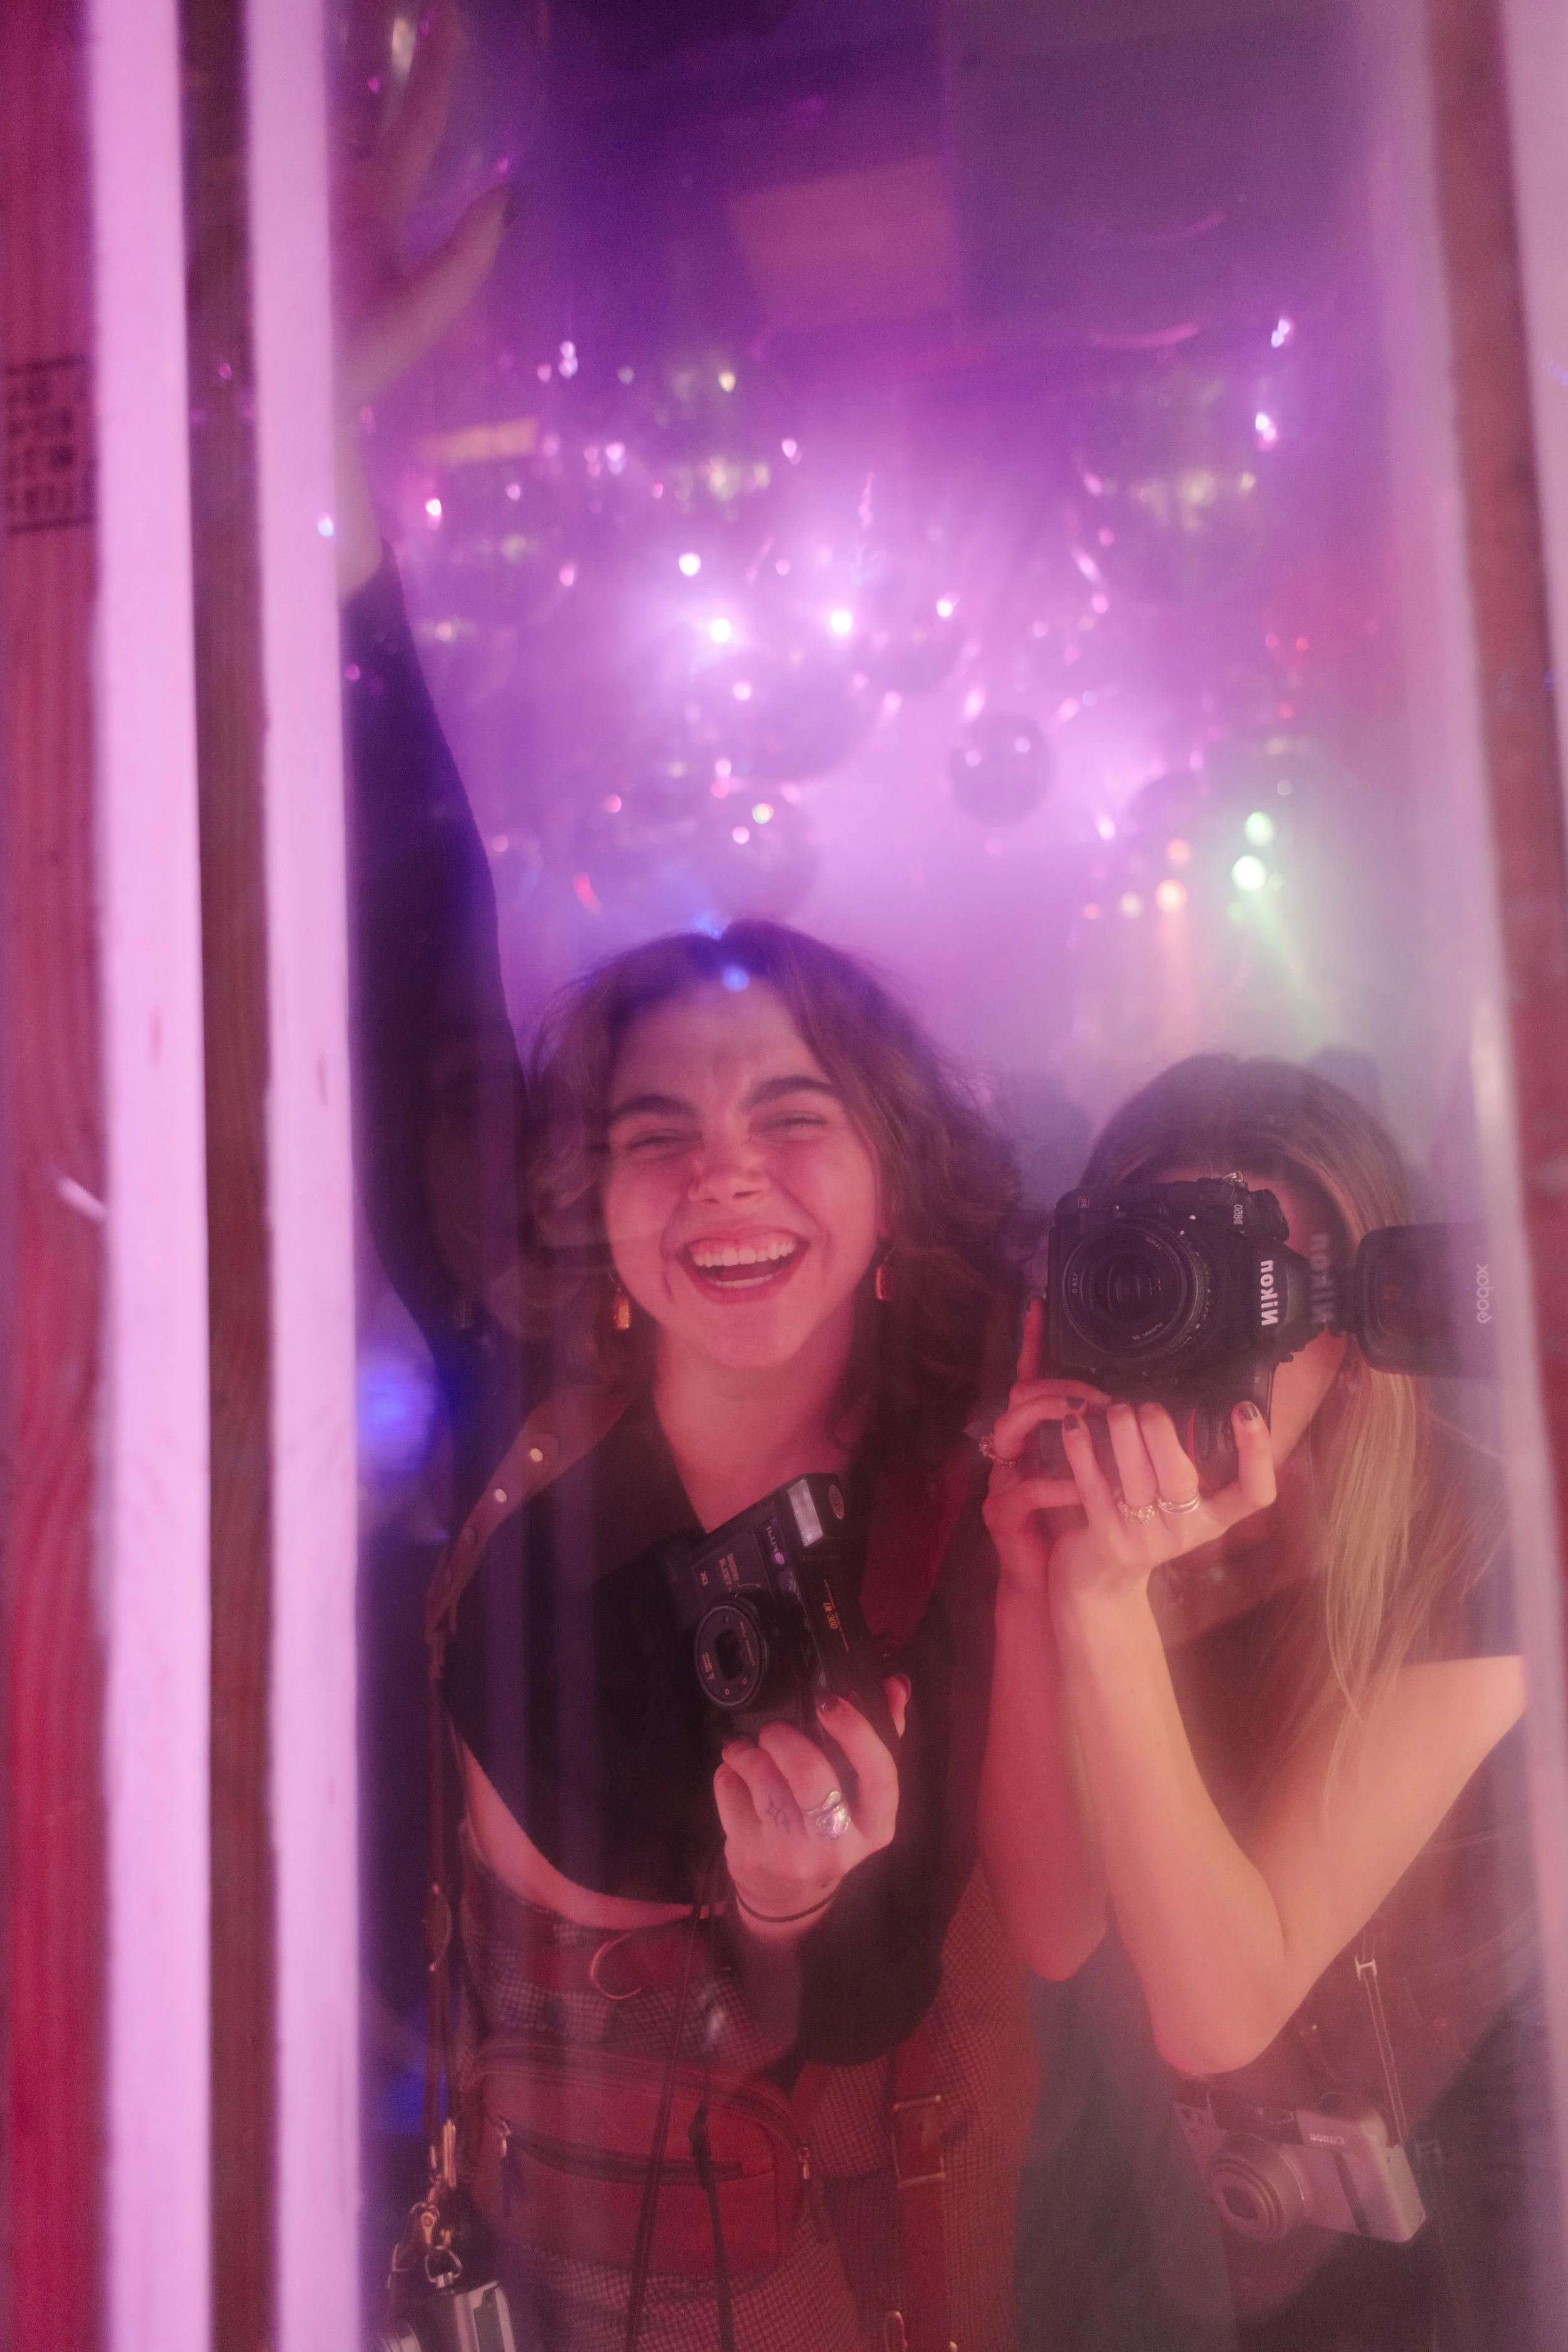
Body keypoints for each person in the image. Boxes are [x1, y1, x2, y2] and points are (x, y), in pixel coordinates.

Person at [334, 17, 1037, 2346]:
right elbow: (406, 918)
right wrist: (328, 474)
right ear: (596, 1204)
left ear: (895, 1178)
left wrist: (795, 1906)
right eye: (658, 1128)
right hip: (510, 2269)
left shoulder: (965, 1494)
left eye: (792, 1113)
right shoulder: (516, 1405)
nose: (721, 1173)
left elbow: (906, 1992)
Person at [980, 1053, 1553, 2352]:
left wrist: (1103, 1613)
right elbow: (1055, 1929)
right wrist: (1033, 1590)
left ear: (1354, 1339)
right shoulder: (1089, 1515)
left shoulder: (1481, 1542)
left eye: (1257, 1296)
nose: (1204, 1347)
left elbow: (1215, 2013)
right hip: (1220, 2234)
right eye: (1156, 1282)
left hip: (1452, 2232)